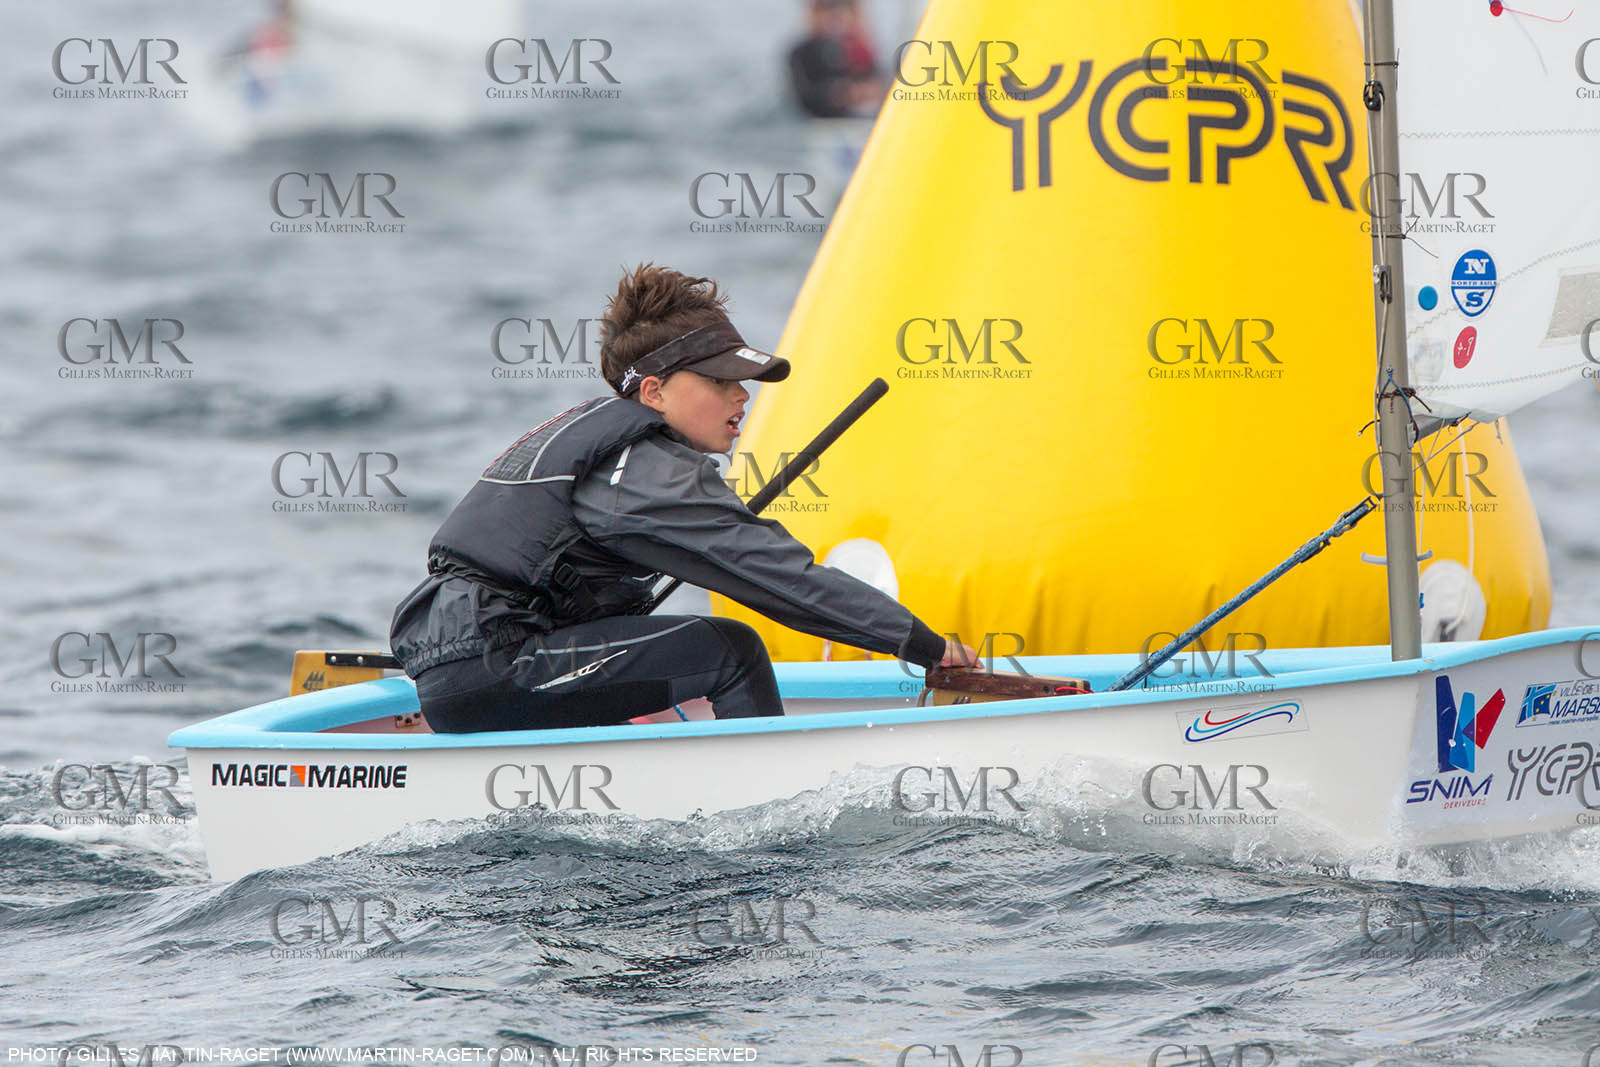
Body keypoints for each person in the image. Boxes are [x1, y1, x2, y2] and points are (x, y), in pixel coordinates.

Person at [390, 265, 976, 733]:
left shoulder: (585, 437)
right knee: (731, 650)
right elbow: (784, 581)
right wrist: (924, 646)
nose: (741, 397)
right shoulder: (647, 472)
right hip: (498, 672)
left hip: (459, 668)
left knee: (669, 642)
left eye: (740, 381)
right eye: (719, 381)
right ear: (655, 391)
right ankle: (770, 810)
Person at [787, 0, 884, 119]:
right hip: (818, 121)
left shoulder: (845, 46)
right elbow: (805, 94)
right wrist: (844, 92)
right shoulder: (800, 52)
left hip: (855, 118)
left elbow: (874, 80)